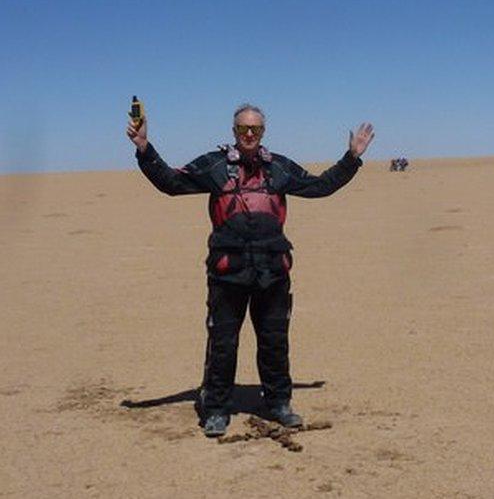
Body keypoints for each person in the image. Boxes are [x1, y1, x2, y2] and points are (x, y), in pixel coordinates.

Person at [126, 103, 374, 437]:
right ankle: (215, 408)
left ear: (263, 132)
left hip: (272, 273)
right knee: (223, 343)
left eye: (255, 129)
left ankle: (278, 404)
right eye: (243, 128)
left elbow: (319, 186)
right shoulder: (215, 166)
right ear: (233, 131)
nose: (248, 134)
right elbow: (172, 182)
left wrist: (351, 158)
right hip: (228, 275)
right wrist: (144, 148)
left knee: (274, 341)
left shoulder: (279, 169)